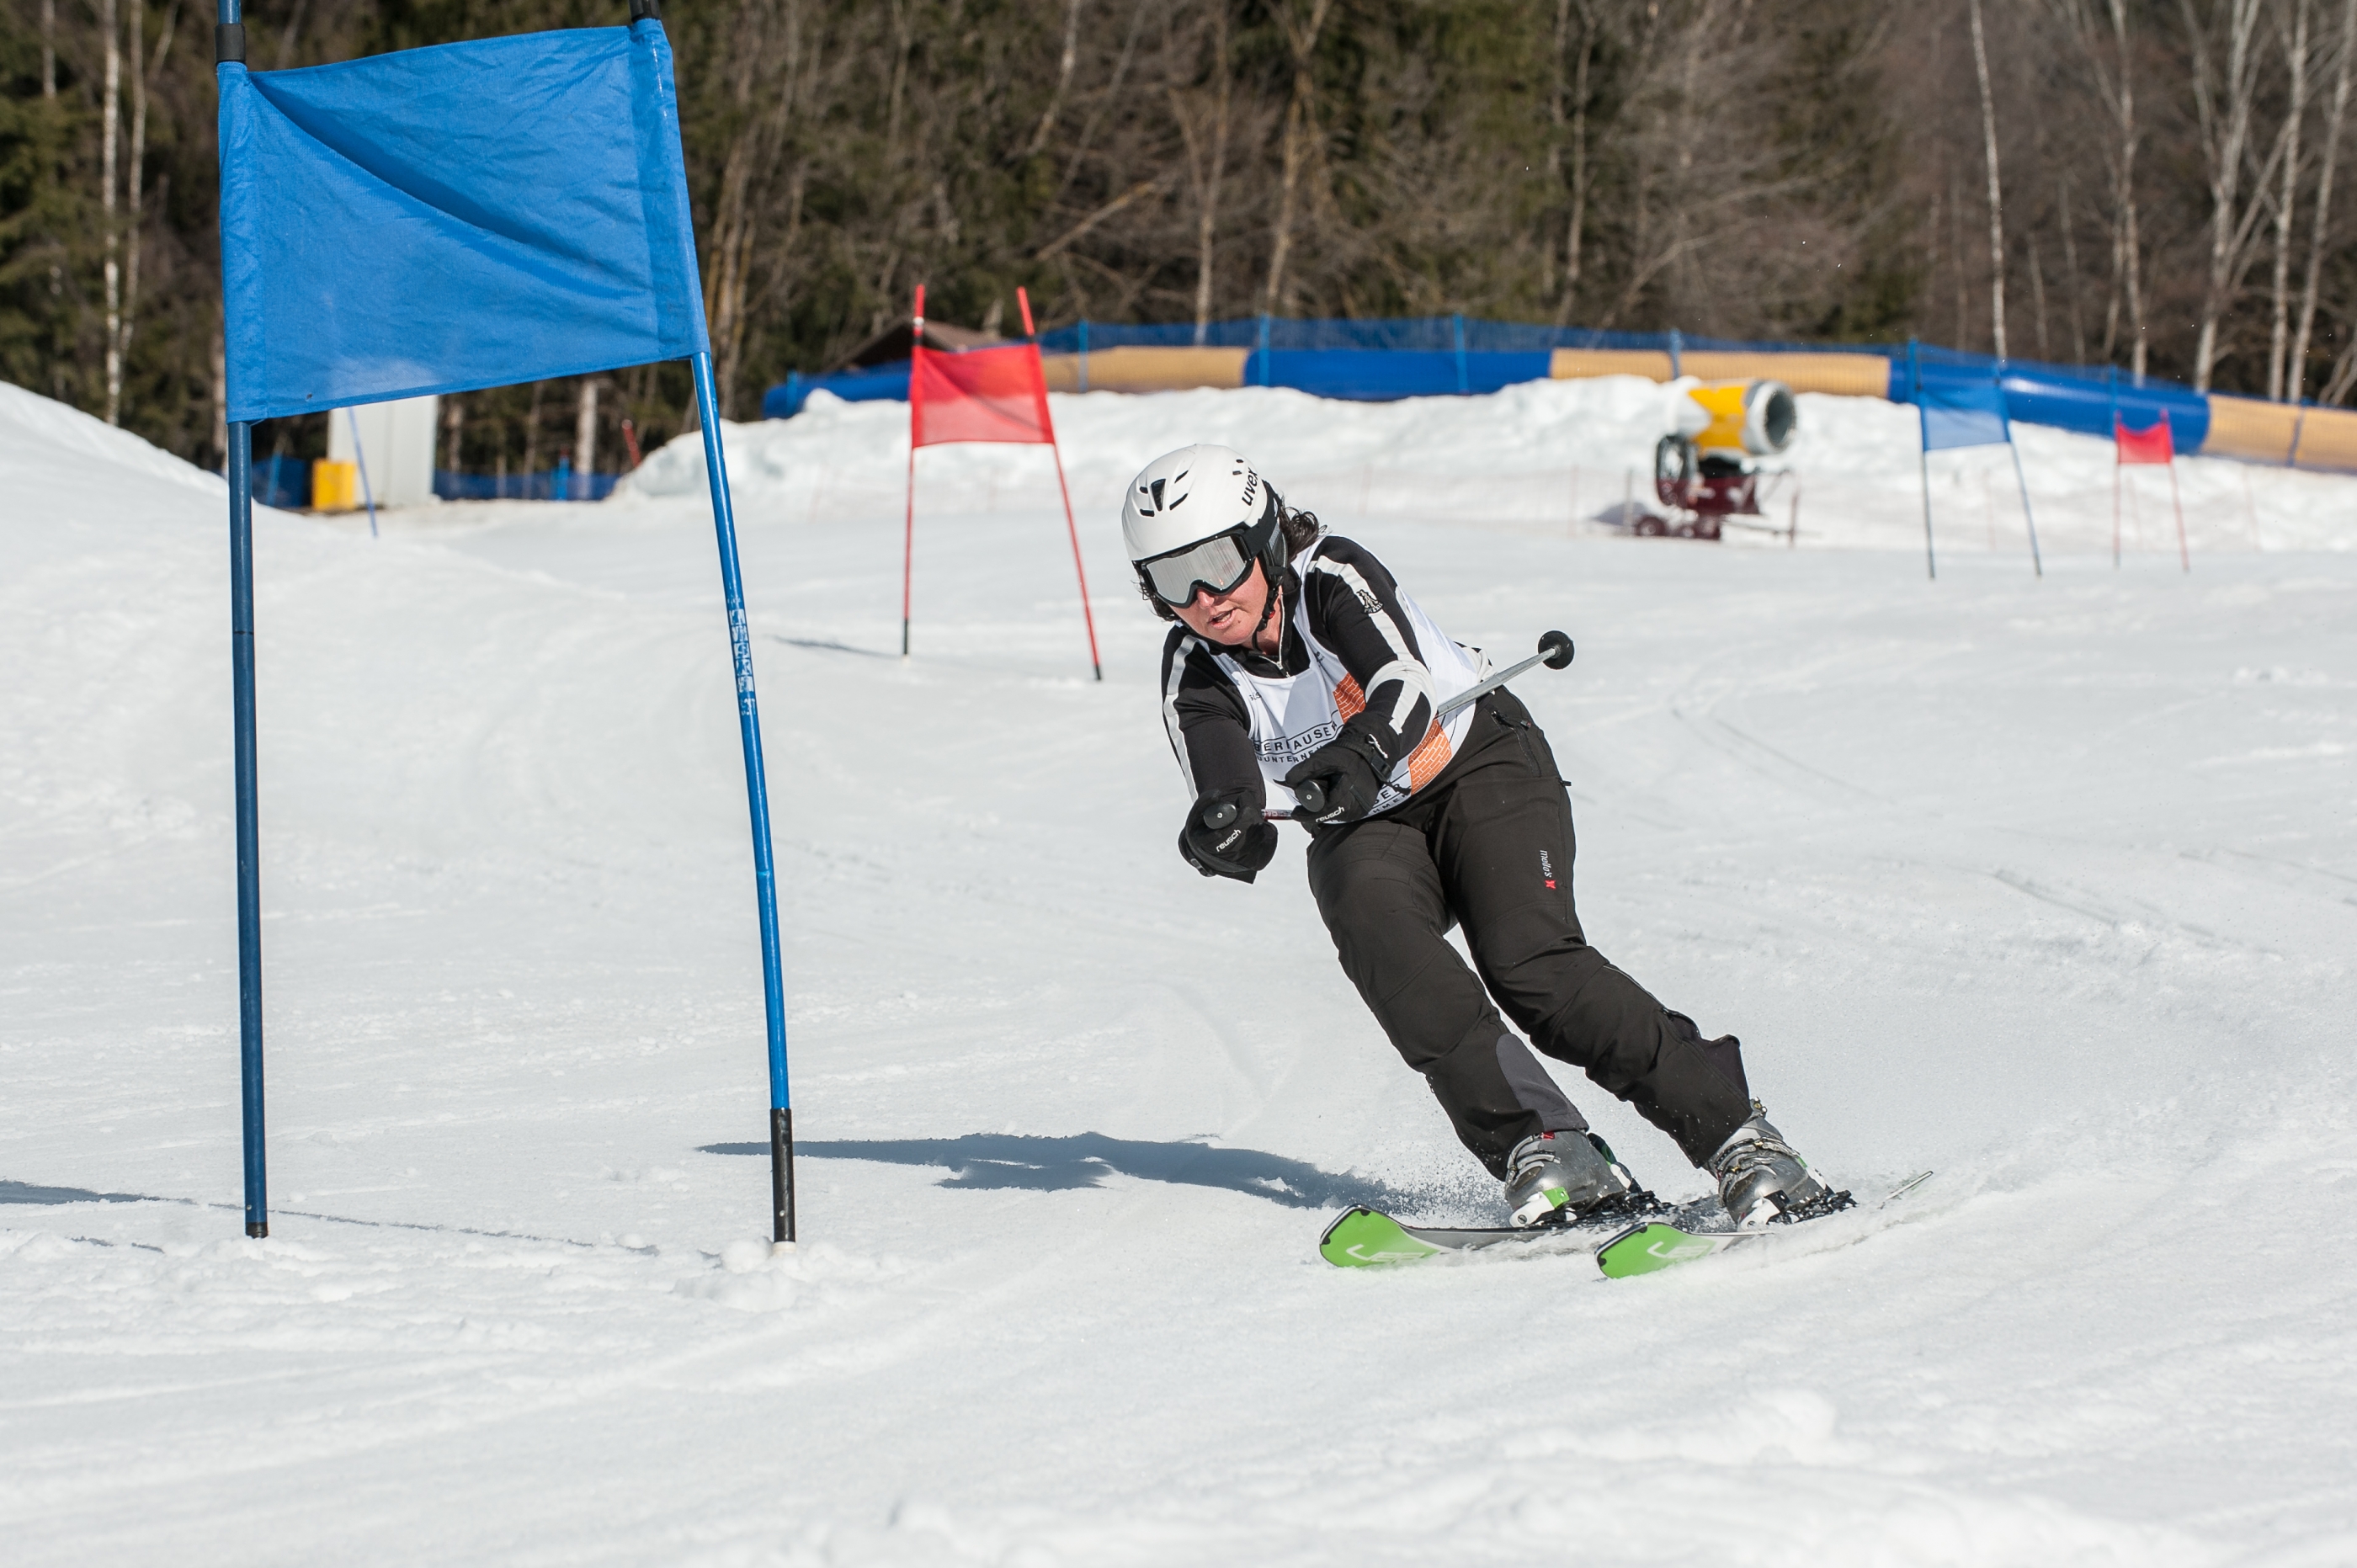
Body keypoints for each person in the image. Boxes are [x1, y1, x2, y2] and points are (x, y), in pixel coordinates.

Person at [1126, 444, 1846, 1229]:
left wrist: (1360, 754)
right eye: (1171, 579)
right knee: (1378, 935)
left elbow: (1402, 686)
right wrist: (1223, 831)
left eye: (1218, 561)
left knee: (1530, 965)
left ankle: (1742, 1138)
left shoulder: (1330, 575)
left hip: (1478, 761)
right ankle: (1549, 1146)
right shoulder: (1193, 671)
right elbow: (1230, 790)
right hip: (1364, 822)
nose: (1203, 597)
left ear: (1263, 536)